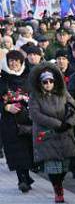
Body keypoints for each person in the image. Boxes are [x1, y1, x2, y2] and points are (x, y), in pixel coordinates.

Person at [28, 65, 75, 204]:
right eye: (45, 82)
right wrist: (57, 124)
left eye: (51, 81)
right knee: (53, 166)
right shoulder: (35, 96)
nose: (48, 84)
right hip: (47, 134)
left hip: (65, 133)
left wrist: (69, 122)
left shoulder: (63, 93)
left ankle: (59, 182)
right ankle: (58, 189)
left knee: (64, 166)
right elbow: (35, 114)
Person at [1, 51, 35, 192]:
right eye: (11, 61)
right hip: (10, 121)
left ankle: (27, 176)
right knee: (16, 150)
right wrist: (6, 106)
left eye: (16, 61)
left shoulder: (29, 78)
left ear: (21, 62)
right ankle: (21, 179)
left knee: (27, 150)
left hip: (28, 120)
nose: (13, 63)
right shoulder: (3, 79)